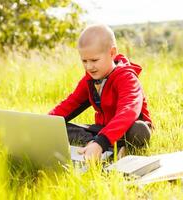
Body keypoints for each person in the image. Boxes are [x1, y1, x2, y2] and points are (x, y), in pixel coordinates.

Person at [48, 24, 152, 160]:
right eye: (84, 61)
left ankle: (108, 146)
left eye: (94, 60)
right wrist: (44, 123)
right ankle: (95, 144)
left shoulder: (127, 77)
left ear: (112, 53)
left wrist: (101, 141)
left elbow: (128, 111)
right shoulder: (89, 79)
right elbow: (71, 104)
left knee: (139, 130)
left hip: (127, 130)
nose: (89, 66)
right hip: (102, 130)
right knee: (58, 127)